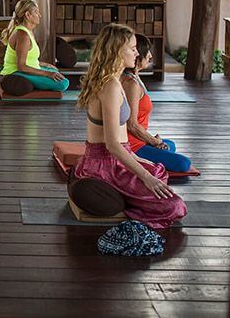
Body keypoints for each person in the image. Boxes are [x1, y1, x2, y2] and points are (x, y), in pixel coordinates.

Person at [74, 24, 187, 229]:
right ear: (117, 50)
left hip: (115, 157)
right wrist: (145, 177)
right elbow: (112, 145)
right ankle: (126, 201)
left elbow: (122, 142)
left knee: (158, 171)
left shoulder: (115, 80)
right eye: (133, 48)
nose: (137, 53)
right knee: (175, 207)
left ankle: (132, 197)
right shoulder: (110, 86)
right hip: (105, 165)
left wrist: (142, 163)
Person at [121, 34, 192, 173]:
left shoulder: (134, 78)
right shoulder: (131, 85)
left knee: (170, 144)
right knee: (184, 163)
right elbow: (132, 124)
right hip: (132, 145)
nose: (150, 56)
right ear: (137, 54)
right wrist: (155, 142)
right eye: (147, 51)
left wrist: (153, 141)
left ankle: (155, 150)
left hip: (138, 139)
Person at [0, 0, 69, 92]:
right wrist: (47, 74)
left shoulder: (28, 32)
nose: (39, 15)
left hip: (24, 70)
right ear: (28, 15)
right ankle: (18, 83)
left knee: (55, 72)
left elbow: (28, 58)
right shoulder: (23, 35)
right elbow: (21, 66)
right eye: (36, 12)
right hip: (15, 72)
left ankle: (32, 83)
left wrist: (45, 65)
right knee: (63, 83)